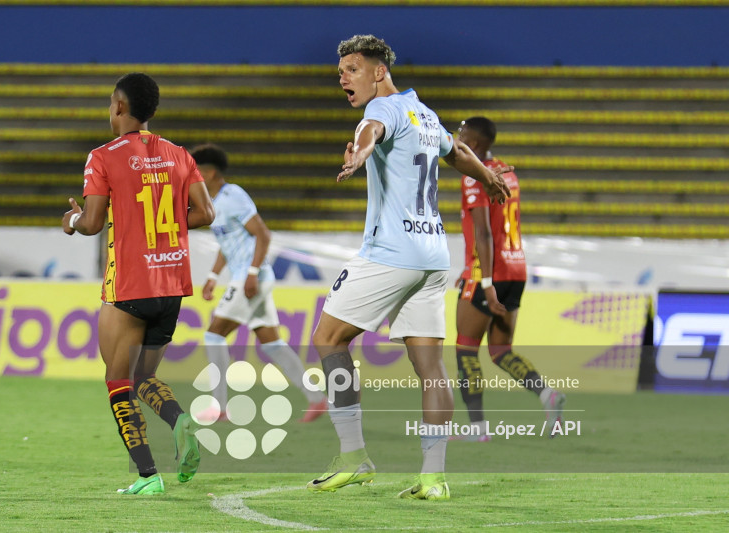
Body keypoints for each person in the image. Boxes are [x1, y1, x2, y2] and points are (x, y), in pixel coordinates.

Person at [307, 35, 511, 500]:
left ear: (379, 72)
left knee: (328, 338)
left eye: (352, 69)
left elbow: (370, 130)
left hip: (390, 254)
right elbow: (456, 151)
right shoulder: (424, 113)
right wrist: (489, 175)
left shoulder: (381, 111)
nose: (343, 78)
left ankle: (353, 456)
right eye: (340, 71)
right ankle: (433, 478)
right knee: (431, 368)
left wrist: (360, 152)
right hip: (434, 256)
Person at [61, 73, 215, 495]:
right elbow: (206, 213)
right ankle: (180, 421)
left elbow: (92, 222)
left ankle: (147, 476)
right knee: (145, 374)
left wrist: (71, 222)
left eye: (111, 104)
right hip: (171, 286)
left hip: (129, 287)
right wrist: (159, 226)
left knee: (118, 381)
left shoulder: (103, 156)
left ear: (120, 107)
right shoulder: (179, 155)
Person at [189, 143, 328, 423]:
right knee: (273, 343)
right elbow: (226, 244)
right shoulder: (212, 203)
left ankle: (219, 408)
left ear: (209, 172)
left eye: (195, 172)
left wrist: (251, 272)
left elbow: (263, 235)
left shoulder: (234, 196)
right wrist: (213, 276)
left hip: (251, 278)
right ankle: (317, 399)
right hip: (249, 277)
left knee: (213, 335)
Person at [454, 116, 565, 442]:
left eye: (461, 136)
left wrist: (486, 284)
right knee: (500, 350)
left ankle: (478, 430)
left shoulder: (475, 177)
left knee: (466, 348)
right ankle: (548, 395)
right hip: (517, 268)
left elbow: (485, 233)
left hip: (487, 270)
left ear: (472, 144)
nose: (456, 140)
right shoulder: (507, 171)